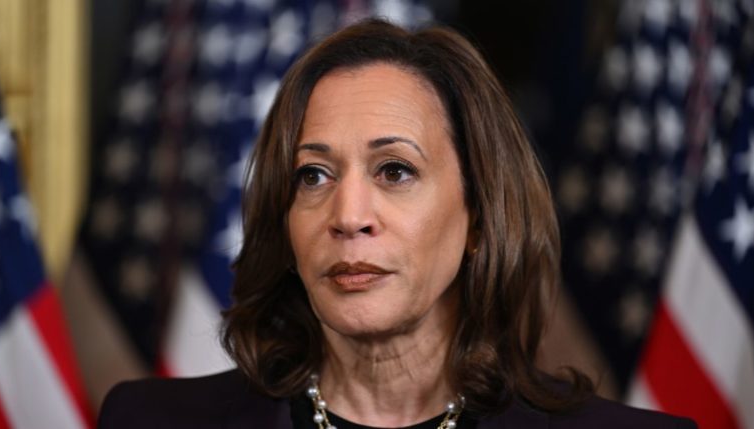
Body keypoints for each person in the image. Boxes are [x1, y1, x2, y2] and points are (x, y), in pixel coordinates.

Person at [98, 19, 696, 429]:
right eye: (313, 176)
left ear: (482, 217)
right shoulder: (147, 420)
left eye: (395, 171)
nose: (349, 217)